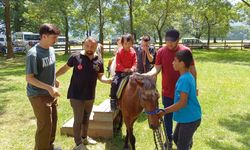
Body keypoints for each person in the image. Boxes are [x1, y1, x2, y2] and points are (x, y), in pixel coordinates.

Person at [142, 29, 197, 147]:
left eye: (172, 42)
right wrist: (145, 75)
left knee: (185, 117)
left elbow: (192, 70)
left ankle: (186, 138)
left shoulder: (185, 51)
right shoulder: (161, 51)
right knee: (167, 117)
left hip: (183, 92)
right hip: (167, 91)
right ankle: (169, 139)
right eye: (167, 41)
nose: (169, 44)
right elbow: (156, 68)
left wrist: (194, 87)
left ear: (178, 40)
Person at [56, 37, 112, 150]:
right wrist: (54, 76)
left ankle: (84, 138)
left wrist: (107, 80)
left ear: (97, 46)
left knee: (86, 118)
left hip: (90, 94)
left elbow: (100, 76)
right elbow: (65, 68)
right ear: (83, 45)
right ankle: (78, 144)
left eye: (92, 46)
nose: (90, 48)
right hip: (76, 94)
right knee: (78, 119)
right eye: (87, 46)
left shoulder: (99, 60)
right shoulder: (76, 57)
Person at [25, 23, 61, 150]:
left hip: (50, 93)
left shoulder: (51, 49)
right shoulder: (33, 54)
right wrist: (49, 88)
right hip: (38, 95)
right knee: (45, 126)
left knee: (53, 123)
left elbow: (50, 67)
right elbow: (29, 78)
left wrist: (54, 80)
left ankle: (49, 147)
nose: (56, 40)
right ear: (44, 36)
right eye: (53, 38)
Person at [158, 50, 201, 149]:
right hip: (188, 117)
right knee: (177, 138)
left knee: (182, 146)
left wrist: (164, 111)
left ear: (181, 64)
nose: (173, 63)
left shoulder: (184, 80)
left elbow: (182, 103)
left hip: (190, 119)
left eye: (175, 60)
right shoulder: (187, 76)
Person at [110, 33, 137, 111]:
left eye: (130, 43)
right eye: (125, 44)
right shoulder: (119, 52)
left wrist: (132, 68)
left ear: (132, 43)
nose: (128, 45)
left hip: (131, 72)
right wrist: (124, 69)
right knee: (114, 82)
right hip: (120, 72)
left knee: (138, 82)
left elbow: (135, 62)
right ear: (122, 43)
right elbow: (118, 63)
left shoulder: (133, 52)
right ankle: (113, 99)